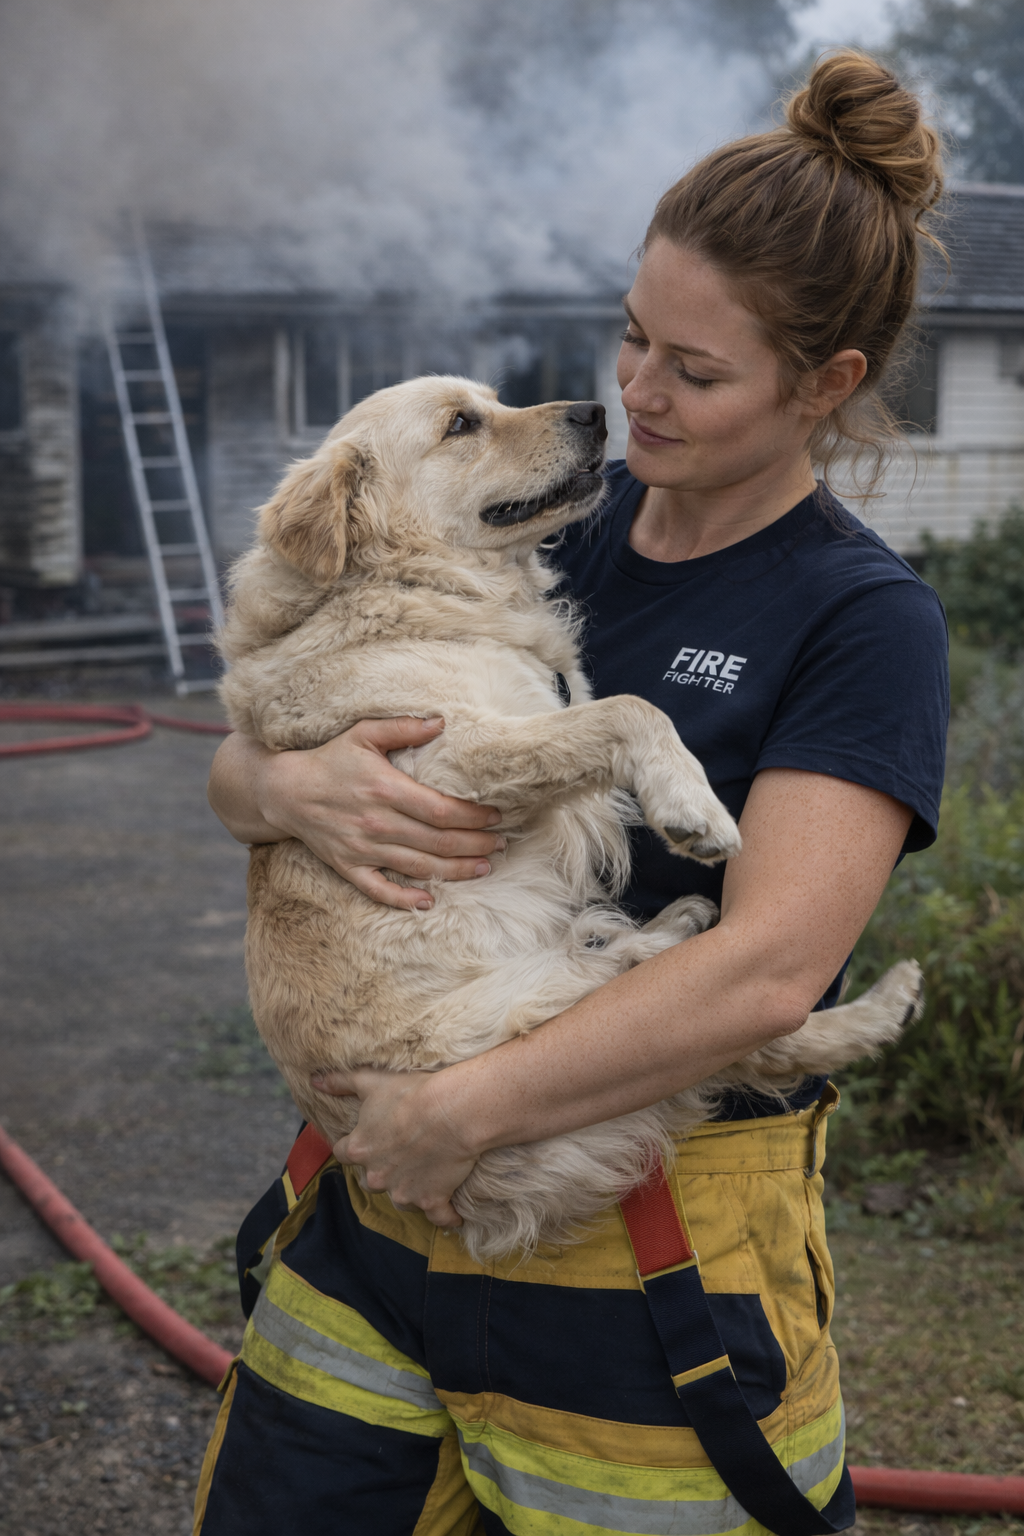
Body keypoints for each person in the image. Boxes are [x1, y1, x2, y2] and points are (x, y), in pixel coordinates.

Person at [194, 50, 949, 1536]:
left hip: (642, 1255)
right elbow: (270, 732)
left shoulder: (861, 619)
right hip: (379, 1229)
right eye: (631, 338)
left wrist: (460, 1112)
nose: (636, 394)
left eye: (697, 370)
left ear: (827, 384)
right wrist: (279, 785)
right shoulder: (541, 527)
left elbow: (772, 965)